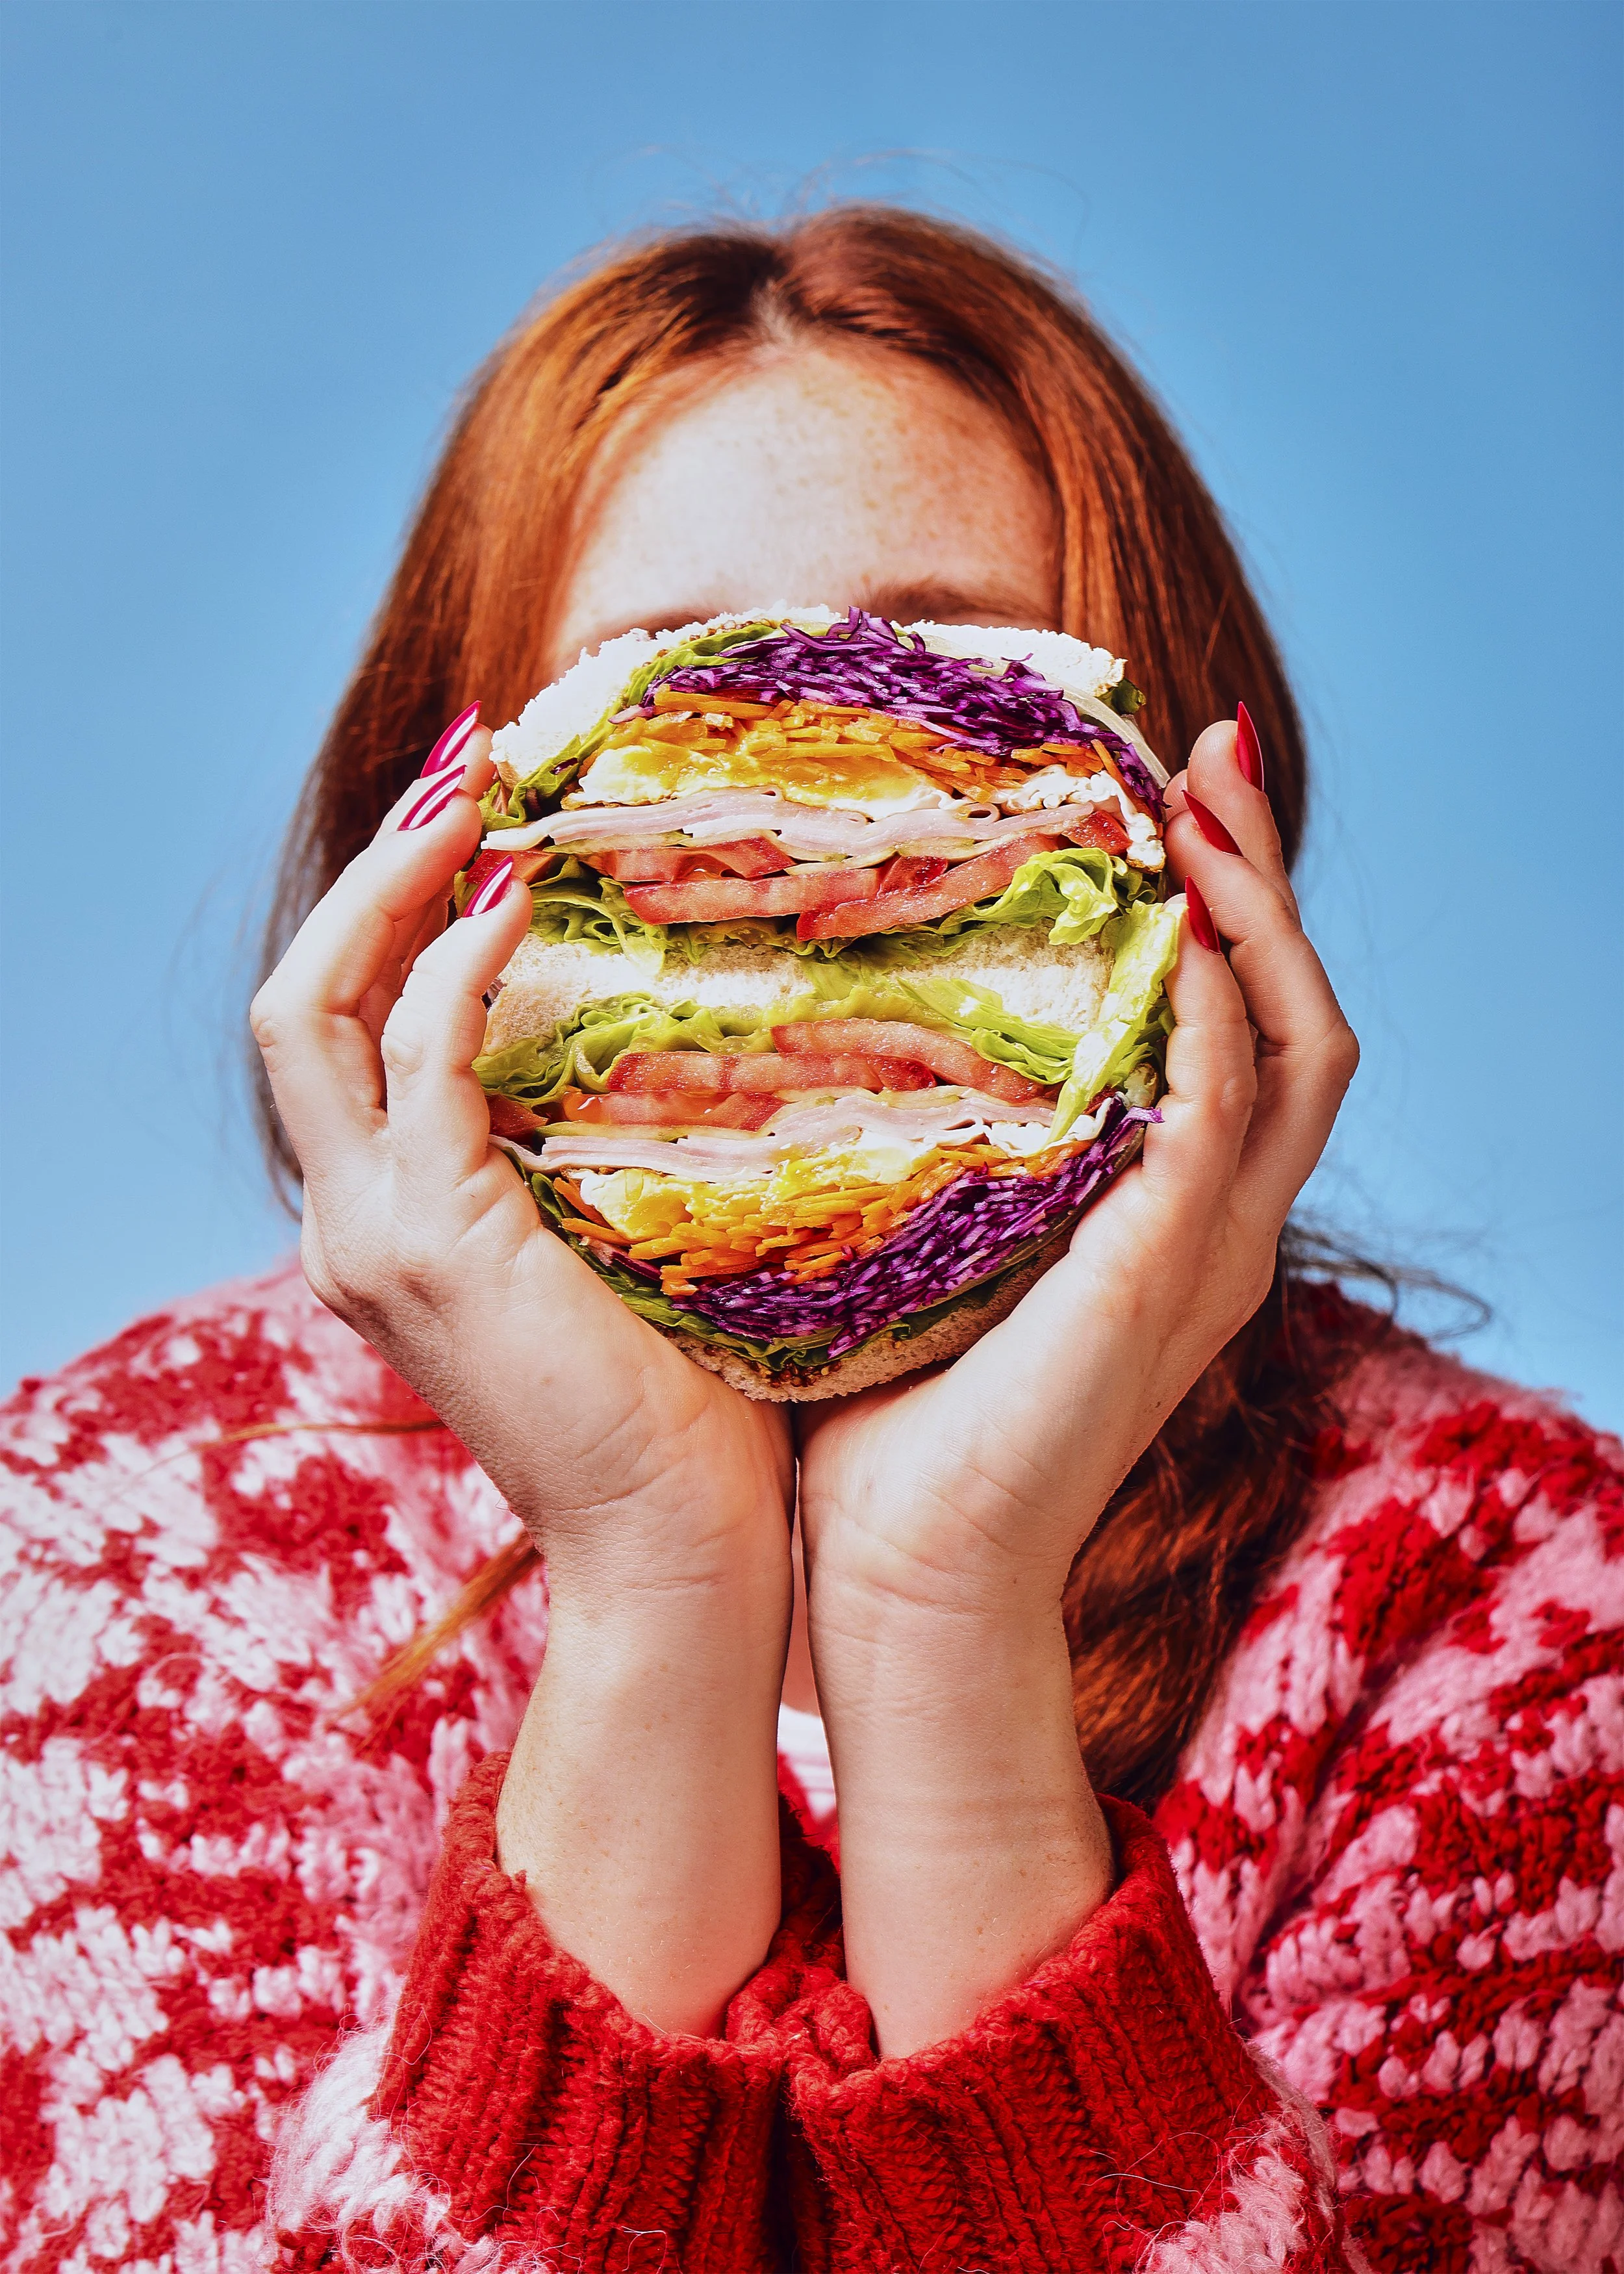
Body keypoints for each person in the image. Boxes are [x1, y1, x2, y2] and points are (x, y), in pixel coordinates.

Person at [1, 209, 1617, 2274]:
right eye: (666, 742)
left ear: (1197, 843)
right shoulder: (133, 1545)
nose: (794, 862)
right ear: (431, 863)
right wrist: (654, 1570)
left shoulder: (1523, 1619)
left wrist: (944, 1612)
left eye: (944, 719)